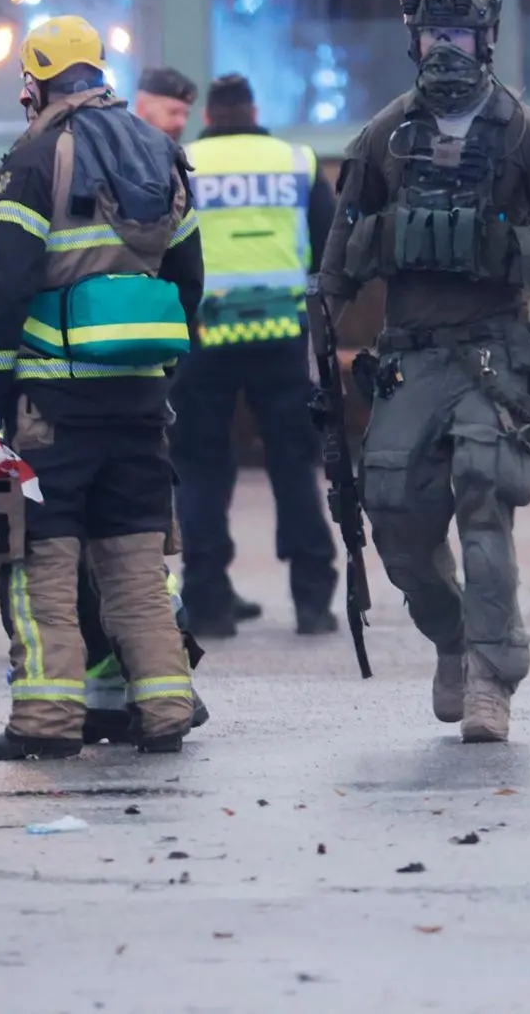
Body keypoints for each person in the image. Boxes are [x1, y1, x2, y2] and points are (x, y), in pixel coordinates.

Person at [316, 0, 530, 744]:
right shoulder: (387, 135)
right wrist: (316, 332)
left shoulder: (523, 133)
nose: (443, 51)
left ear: (484, 42)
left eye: (457, 35)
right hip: (410, 354)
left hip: (494, 351)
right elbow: (342, 250)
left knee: (483, 497)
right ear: (412, 43)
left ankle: (492, 673)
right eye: (431, 36)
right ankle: (452, 638)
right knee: (393, 518)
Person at [0, 15, 203, 760]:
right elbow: (188, 278)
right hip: (137, 398)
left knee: (42, 567)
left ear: (36, 81)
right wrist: (160, 368)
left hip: (50, 403)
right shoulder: (160, 150)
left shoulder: (36, 156)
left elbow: (5, 283)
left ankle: (44, 722)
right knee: (136, 564)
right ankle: (164, 709)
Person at [172, 73, 340, 638]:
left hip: (202, 336)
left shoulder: (182, 161)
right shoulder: (296, 161)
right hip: (280, 333)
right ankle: (313, 599)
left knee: (200, 467)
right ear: (254, 110)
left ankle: (209, 601)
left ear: (210, 116)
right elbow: (328, 243)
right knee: (292, 465)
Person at [131, 66, 198, 143]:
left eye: (186, 115)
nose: (181, 123)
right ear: (141, 108)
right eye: (173, 112)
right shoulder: (119, 151)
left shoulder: (179, 153)